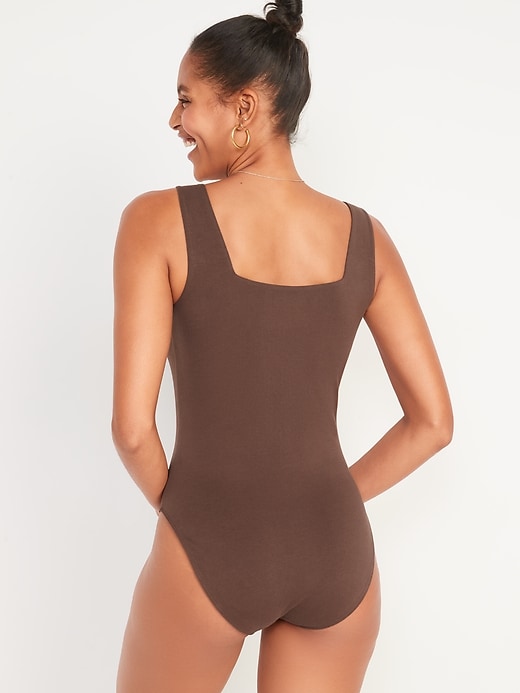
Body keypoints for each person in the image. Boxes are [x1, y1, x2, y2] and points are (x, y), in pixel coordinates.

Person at [111, 1, 453, 691]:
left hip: (212, 539)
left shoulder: (156, 220)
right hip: (336, 551)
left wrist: (197, 523)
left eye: (186, 99)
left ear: (242, 108)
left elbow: (132, 429)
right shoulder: (368, 237)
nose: (174, 119)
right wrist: (322, 502)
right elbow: (434, 424)